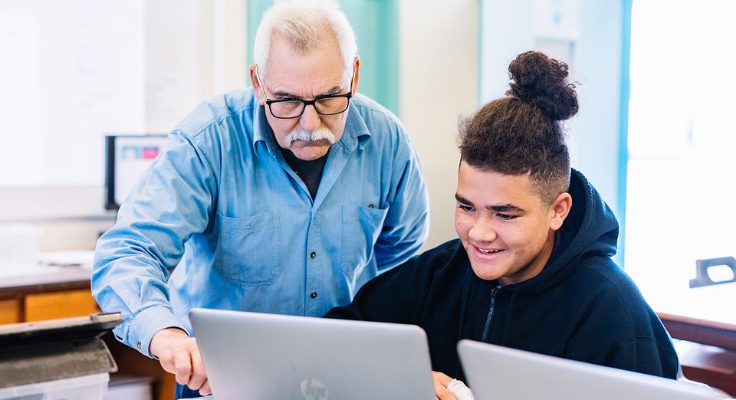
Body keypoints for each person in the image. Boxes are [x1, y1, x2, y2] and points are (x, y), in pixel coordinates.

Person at [92, 0, 429, 397]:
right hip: (224, 379)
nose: (310, 124)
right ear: (258, 82)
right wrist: (167, 337)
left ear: (353, 76)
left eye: (328, 98)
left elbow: (401, 258)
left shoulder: (388, 142)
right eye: (286, 100)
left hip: (342, 375)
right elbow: (128, 250)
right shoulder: (208, 142)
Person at [325, 51, 679, 400]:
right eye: (466, 206)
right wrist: (403, 378)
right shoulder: (438, 273)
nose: (479, 233)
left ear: (558, 210)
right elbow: (332, 342)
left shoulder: (612, 312)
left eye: (505, 214)